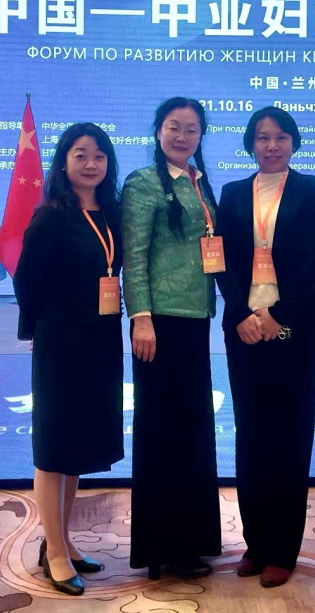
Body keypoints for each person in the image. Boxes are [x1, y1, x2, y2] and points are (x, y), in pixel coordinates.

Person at [216, 106, 315, 588]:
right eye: (263, 137)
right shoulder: (231, 193)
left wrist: (278, 313)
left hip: (293, 326)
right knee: (251, 435)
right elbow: (219, 259)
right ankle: (256, 543)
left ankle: (283, 550)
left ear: (294, 143)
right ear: (250, 144)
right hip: (244, 328)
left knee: (290, 435)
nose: (272, 146)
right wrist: (241, 313)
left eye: (281, 137)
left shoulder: (311, 189)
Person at [14, 123, 125, 597]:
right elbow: (26, 279)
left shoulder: (113, 212)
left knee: (77, 444)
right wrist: (35, 330)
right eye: (80, 155)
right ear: (63, 162)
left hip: (102, 338)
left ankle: (62, 540)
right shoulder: (52, 216)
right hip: (61, 340)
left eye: (99, 156)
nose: (90, 164)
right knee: (54, 445)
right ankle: (54, 551)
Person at [122, 97, 222, 580]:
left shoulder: (199, 182)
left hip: (195, 319)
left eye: (191, 129)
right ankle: (159, 548)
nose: (182, 137)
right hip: (158, 324)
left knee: (192, 430)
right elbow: (134, 255)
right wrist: (140, 318)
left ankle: (192, 543)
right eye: (173, 127)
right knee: (161, 431)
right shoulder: (142, 183)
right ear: (158, 131)